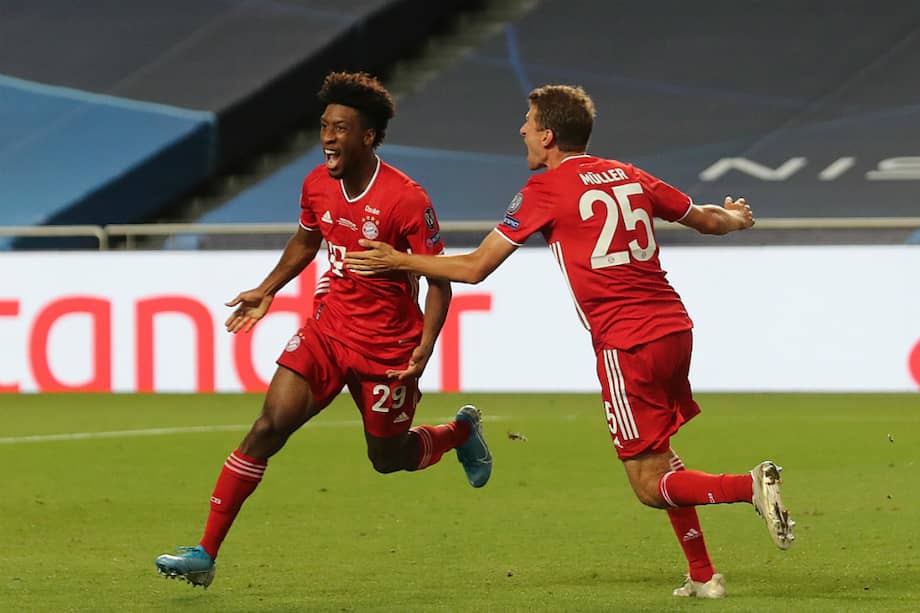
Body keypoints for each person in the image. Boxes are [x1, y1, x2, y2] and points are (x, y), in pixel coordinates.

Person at [345, 84, 794, 599]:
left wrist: (398, 260)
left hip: (626, 341)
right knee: (660, 454)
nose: (522, 130)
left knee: (648, 485)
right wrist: (738, 217)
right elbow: (709, 220)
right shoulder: (628, 173)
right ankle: (701, 574)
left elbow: (473, 268)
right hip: (674, 327)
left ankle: (747, 487)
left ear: (549, 135)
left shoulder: (545, 190)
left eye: (529, 122)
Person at [155, 72, 492, 589]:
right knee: (269, 426)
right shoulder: (316, 184)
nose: (327, 137)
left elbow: (437, 281)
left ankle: (459, 432)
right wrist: (267, 288)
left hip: (388, 348)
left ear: (369, 137)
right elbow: (305, 241)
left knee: (388, 458)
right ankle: (205, 552)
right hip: (328, 331)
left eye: (340, 128)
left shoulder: (406, 200)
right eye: (324, 127)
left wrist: (425, 347)